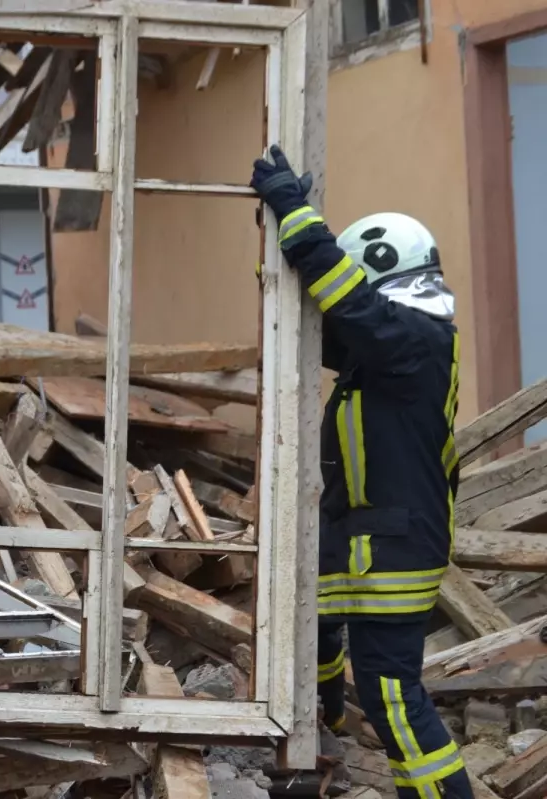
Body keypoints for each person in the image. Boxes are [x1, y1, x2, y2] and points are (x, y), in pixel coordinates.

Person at [252, 146, 472, 799]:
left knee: (398, 704)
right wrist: (277, 233)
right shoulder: (398, 348)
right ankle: (357, 741)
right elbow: (329, 314)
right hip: (376, 540)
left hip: (396, 544)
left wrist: (294, 209)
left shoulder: (412, 338)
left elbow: (345, 300)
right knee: (381, 695)